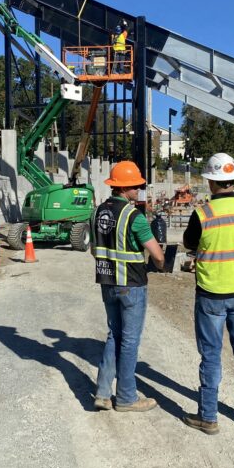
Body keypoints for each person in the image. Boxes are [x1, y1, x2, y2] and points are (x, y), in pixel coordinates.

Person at [181, 152, 234, 435]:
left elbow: (190, 244)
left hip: (212, 293)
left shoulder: (202, 213)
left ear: (211, 182)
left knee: (211, 355)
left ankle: (209, 417)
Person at [92, 161, 165, 412]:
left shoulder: (98, 211)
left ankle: (102, 393)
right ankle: (125, 397)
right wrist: (161, 262)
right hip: (131, 284)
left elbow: (95, 250)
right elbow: (157, 255)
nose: (139, 188)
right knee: (130, 341)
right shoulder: (134, 216)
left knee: (115, 334)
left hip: (107, 282)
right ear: (126, 188)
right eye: (136, 185)